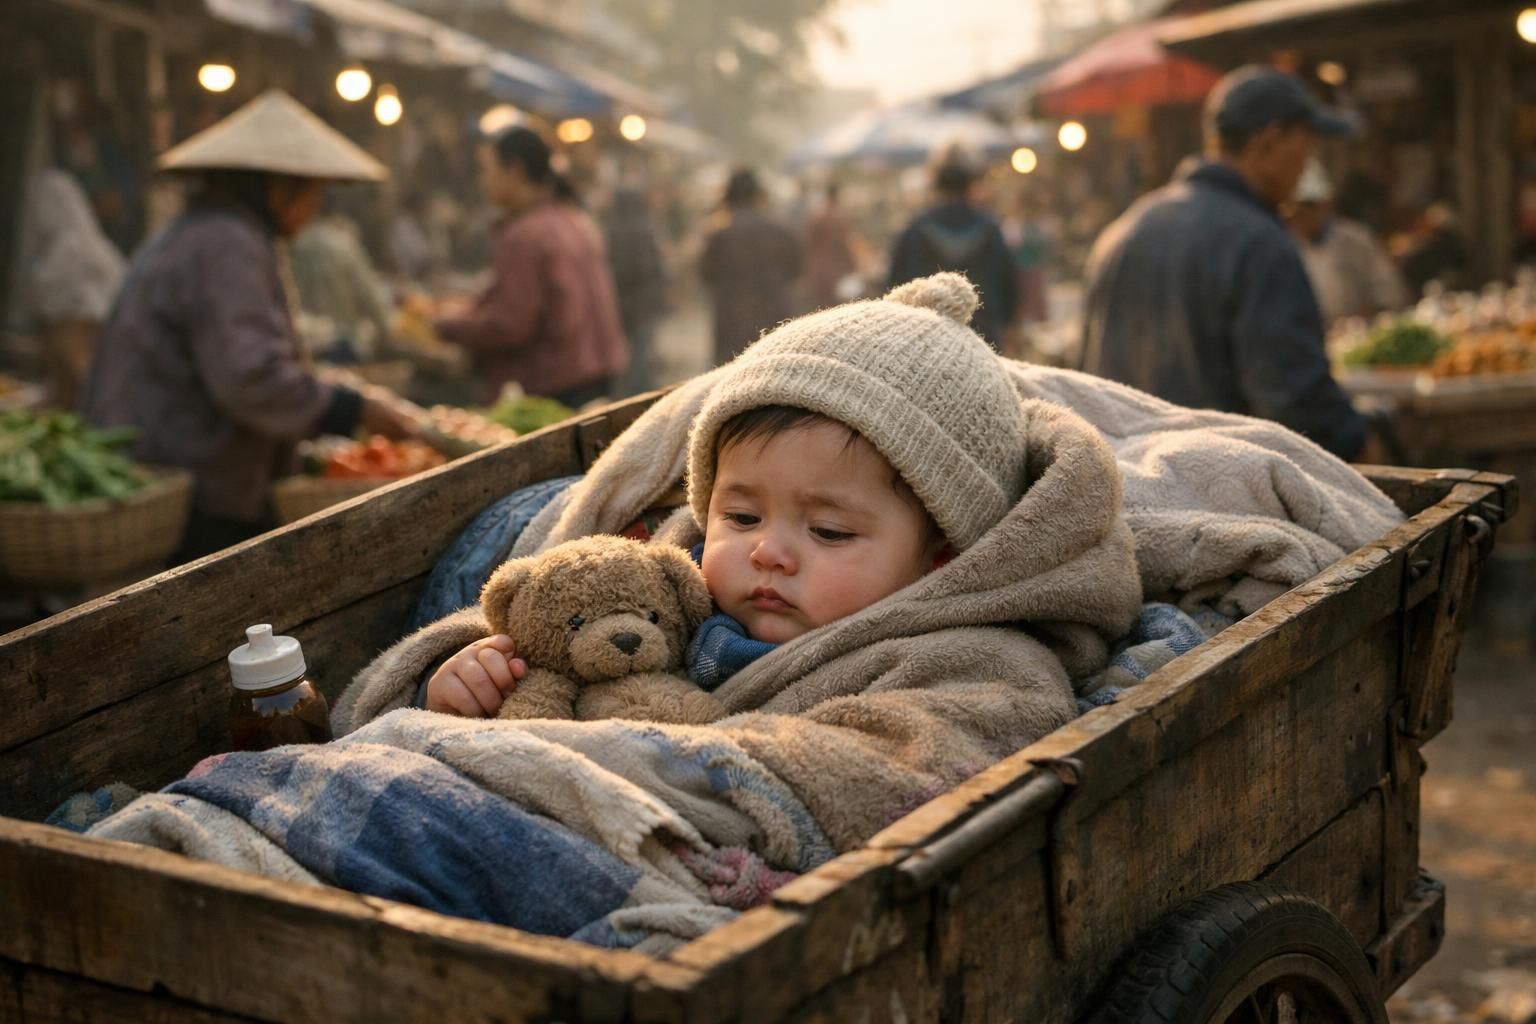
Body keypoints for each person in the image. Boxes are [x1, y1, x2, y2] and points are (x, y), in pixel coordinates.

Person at [419, 272, 1139, 721]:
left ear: (940, 556)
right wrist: (474, 686)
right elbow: (552, 655)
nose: (766, 551)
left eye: (827, 530)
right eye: (739, 516)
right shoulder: (654, 598)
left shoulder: (957, 663)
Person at [82, 90, 420, 561]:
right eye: (313, 194)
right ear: (277, 189)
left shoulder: (210, 232)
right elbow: (251, 377)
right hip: (189, 477)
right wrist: (352, 407)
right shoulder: (227, 244)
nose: (316, 207)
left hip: (180, 464)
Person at [1078, 65, 1369, 461]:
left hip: (1127, 494)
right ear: (1269, 142)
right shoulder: (1259, 244)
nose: (1306, 165)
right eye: (1306, 146)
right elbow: (1300, 409)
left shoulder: (1123, 231)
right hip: (1226, 501)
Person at [434, 126, 628, 408]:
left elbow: (509, 325)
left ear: (514, 171)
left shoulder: (526, 234)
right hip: (597, 374)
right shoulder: (576, 219)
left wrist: (445, 326)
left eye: (487, 170)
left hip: (556, 386)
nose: (483, 181)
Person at [13, 168, 126, 410]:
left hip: (75, 320)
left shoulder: (65, 253)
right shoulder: (95, 245)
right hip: (90, 319)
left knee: (82, 379)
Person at [887, 146, 1018, 349]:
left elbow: (894, 288)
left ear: (936, 182)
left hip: (925, 343)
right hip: (982, 342)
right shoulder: (991, 230)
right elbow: (1009, 291)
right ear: (970, 183)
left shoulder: (914, 231)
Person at [699, 168, 803, 365]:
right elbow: (795, 271)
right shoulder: (780, 231)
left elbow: (705, 274)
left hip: (731, 320)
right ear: (758, 196)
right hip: (773, 319)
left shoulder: (719, 234)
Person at [1287, 158, 1408, 324]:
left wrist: (1360, 320)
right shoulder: (1285, 247)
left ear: (1327, 203)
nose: (1304, 213)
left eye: (1310, 205)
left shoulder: (1356, 240)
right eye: (1298, 207)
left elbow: (1390, 294)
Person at [289, 190, 396, 360]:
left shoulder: (292, 243)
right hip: (341, 347)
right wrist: (386, 327)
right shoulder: (344, 245)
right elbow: (373, 302)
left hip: (300, 347)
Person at [603, 187, 667, 396]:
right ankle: (640, 390)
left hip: (619, 298)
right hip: (643, 299)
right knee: (641, 346)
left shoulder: (610, 230)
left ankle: (623, 389)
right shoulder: (646, 230)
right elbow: (654, 266)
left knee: (623, 346)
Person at [803, 182, 860, 309]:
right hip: (836, 269)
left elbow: (809, 243)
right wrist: (853, 265)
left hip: (819, 269)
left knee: (821, 307)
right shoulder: (838, 217)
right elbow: (844, 245)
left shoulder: (817, 215)